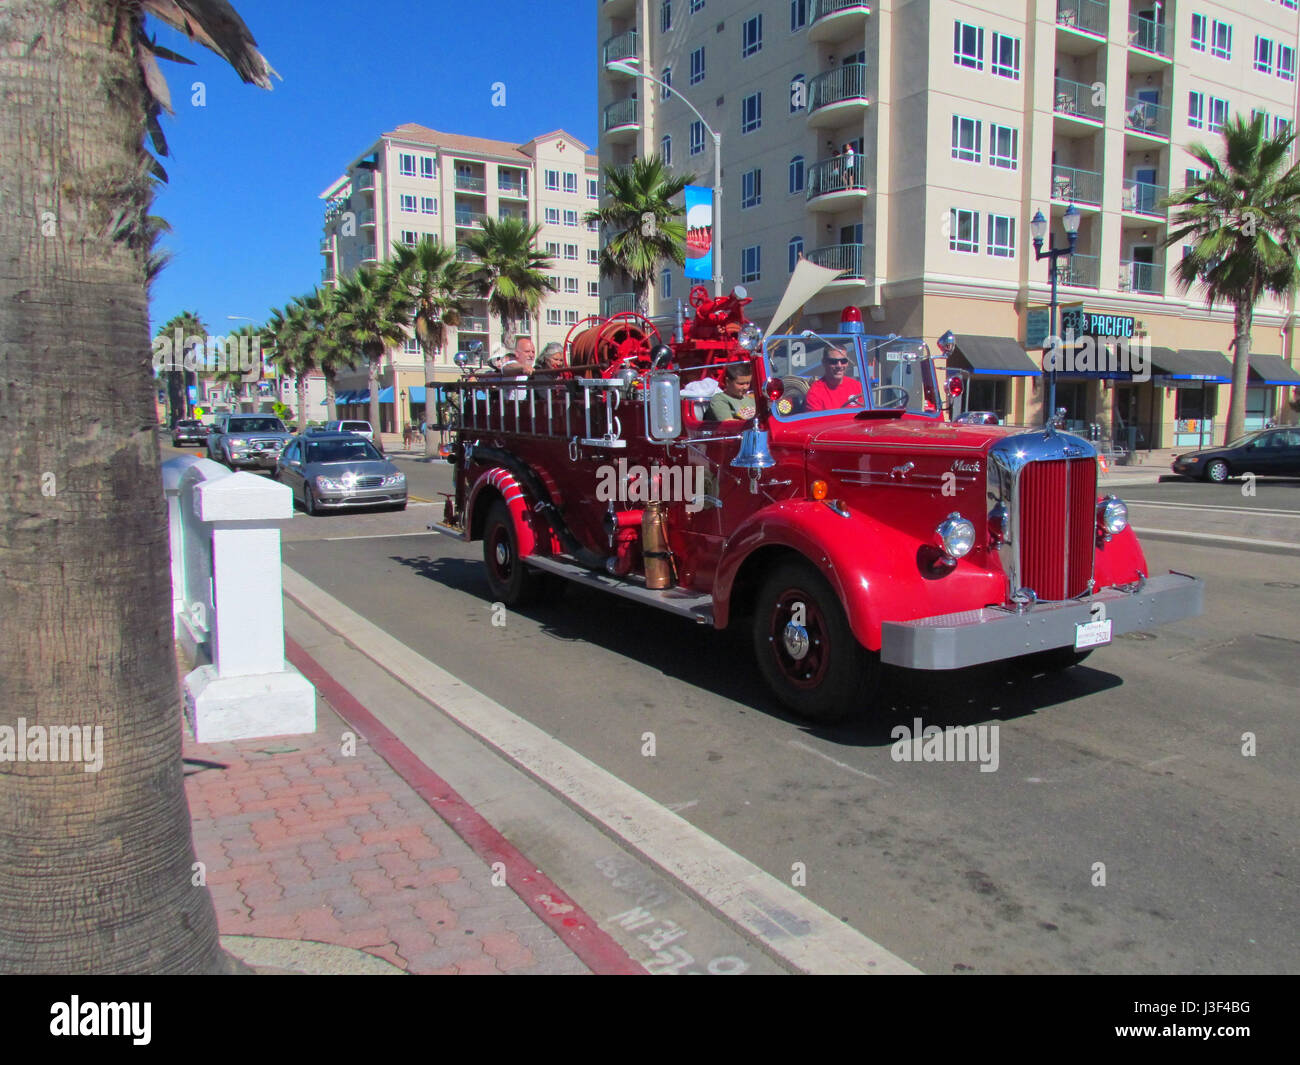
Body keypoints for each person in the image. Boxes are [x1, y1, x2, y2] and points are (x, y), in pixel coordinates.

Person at [804, 346, 863, 411]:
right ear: (824, 362)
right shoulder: (815, 393)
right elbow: (816, 420)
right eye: (833, 361)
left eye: (843, 361)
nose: (839, 366)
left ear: (847, 363)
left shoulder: (857, 386)